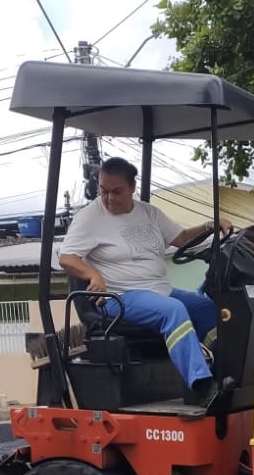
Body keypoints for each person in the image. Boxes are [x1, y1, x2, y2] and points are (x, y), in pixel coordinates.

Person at [57, 156, 231, 407]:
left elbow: (181, 238)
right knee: (173, 311)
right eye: (103, 190)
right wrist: (93, 275)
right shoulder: (90, 218)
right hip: (119, 297)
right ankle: (202, 386)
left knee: (211, 310)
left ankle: (226, 375)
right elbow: (67, 257)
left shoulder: (149, 213)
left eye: (116, 191)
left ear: (132, 187)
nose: (109, 198)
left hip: (161, 291)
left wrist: (210, 225)